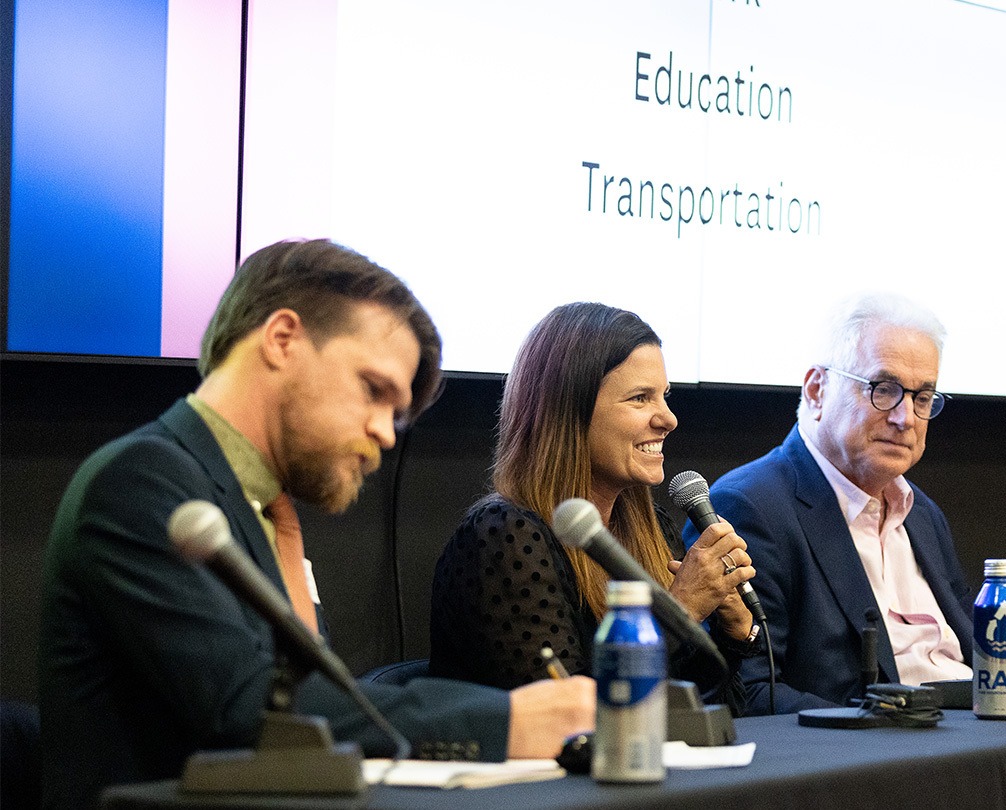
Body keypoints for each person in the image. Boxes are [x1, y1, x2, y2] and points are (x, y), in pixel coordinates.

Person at [38, 240, 594, 809]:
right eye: (373, 391)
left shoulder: (262, 508)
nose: (384, 432)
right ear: (282, 340)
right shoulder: (144, 481)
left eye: (397, 415)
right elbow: (254, 710)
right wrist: (508, 720)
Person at [429, 302, 757, 699]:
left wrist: (733, 635)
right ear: (569, 411)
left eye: (664, 396)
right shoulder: (504, 537)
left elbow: (707, 719)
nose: (668, 418)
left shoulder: (651, 529)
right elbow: (567, 717)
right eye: (640, 398)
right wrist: (681, 611)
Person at [686, 294, 975, 714]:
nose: (906, 418)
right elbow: (750, 689)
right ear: (817, 390)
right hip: (877, 754)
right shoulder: (751, 507)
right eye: (885, 390)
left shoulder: (923, 514)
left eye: (922, 398)